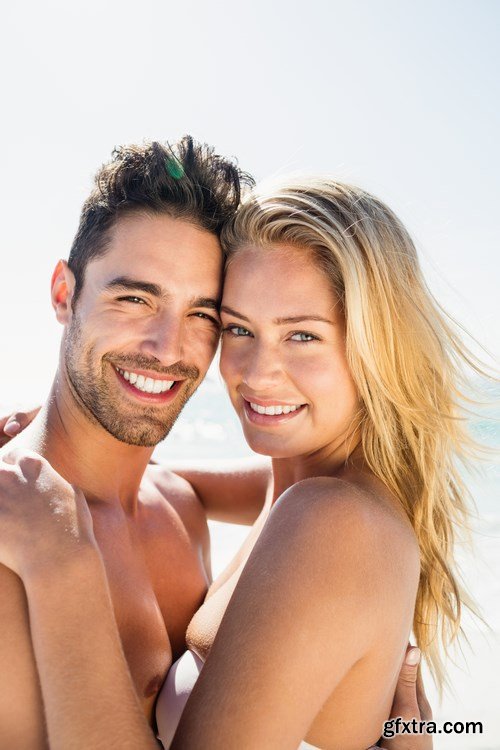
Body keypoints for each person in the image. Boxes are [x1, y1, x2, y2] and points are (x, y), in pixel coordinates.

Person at [0, 166, 462, 748]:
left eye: (302, 335)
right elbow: (169, 482)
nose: (258, 374)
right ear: (65, 295)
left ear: (376, 343)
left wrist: (61, 566)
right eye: (238, 328)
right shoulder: (272, 488)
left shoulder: (328, 519)